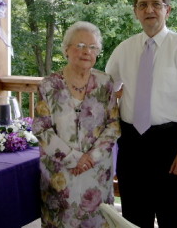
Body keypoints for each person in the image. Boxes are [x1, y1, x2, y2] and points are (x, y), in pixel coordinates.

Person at [106, 0, 177, 228]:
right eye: (143, 5)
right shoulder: (123, 49)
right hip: (132, 143)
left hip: (169, 144)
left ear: (167, 10)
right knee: (133, 217)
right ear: (135, 12)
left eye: (156, 4)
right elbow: (106, 90)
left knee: (170, 217)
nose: (149, 9)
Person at [32, 21, 120, 228]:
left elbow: (113, 125)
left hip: (96, 172)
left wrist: (91, 157)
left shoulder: (105, 82)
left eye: (92, 47)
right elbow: (41, 129)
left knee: (98, 221)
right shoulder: (49, 85)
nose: (86, 52)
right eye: (80, 45)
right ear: (66, 49)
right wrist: (73, 158)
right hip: (60, 175)